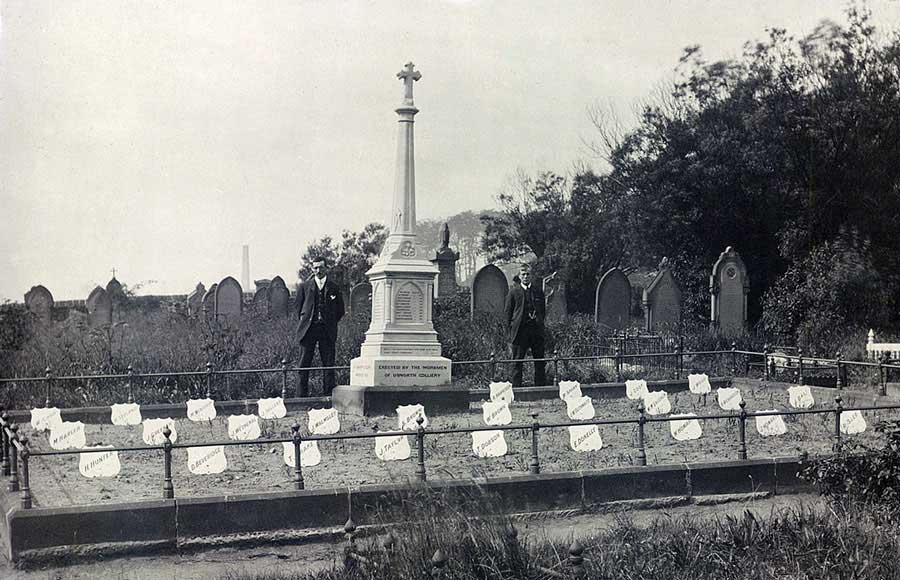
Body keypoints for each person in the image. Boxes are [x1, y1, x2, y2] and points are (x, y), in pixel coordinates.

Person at [296, 258, 345, 396]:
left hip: (326, 331)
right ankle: (301, 399)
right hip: (308, 330)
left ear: (326, 269)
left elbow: (340, 310)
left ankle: (329, 398)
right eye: (315, 268)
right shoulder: (305, 287)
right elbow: (298, 309)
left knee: (328, 365)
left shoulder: (334, 287)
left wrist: (330, 322)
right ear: (312, 269)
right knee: (303, 365)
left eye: (321, 267)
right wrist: (306, 322)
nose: (318, 271)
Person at [504, 264, 547, 387]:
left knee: (539, 360)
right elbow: (508, 313)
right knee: (517, 361)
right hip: (520, 331)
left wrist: (538, 321)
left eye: (528, 274)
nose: (526, 276)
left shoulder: (538, 291)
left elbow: (543, 310)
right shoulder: (513, 292)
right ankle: (516, 390)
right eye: (523, 274)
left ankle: (540, 388)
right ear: (519, 276)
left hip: (536, 331)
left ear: (531, 276)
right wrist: (509, 332)